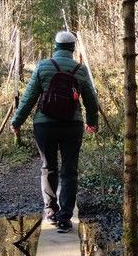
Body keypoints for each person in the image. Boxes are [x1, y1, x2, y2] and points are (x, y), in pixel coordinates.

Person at [11, 30, 99, 232]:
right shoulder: (81, 70)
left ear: (56, 46)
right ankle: (65, 218)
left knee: (48, 167)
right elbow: (91, 101)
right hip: (72, 125)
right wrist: (92, 122)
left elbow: (29, 98)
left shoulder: (43, 66)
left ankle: (50, 212)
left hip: (44, 125)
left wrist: (17, 121)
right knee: (69, 171)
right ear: (72, 48)